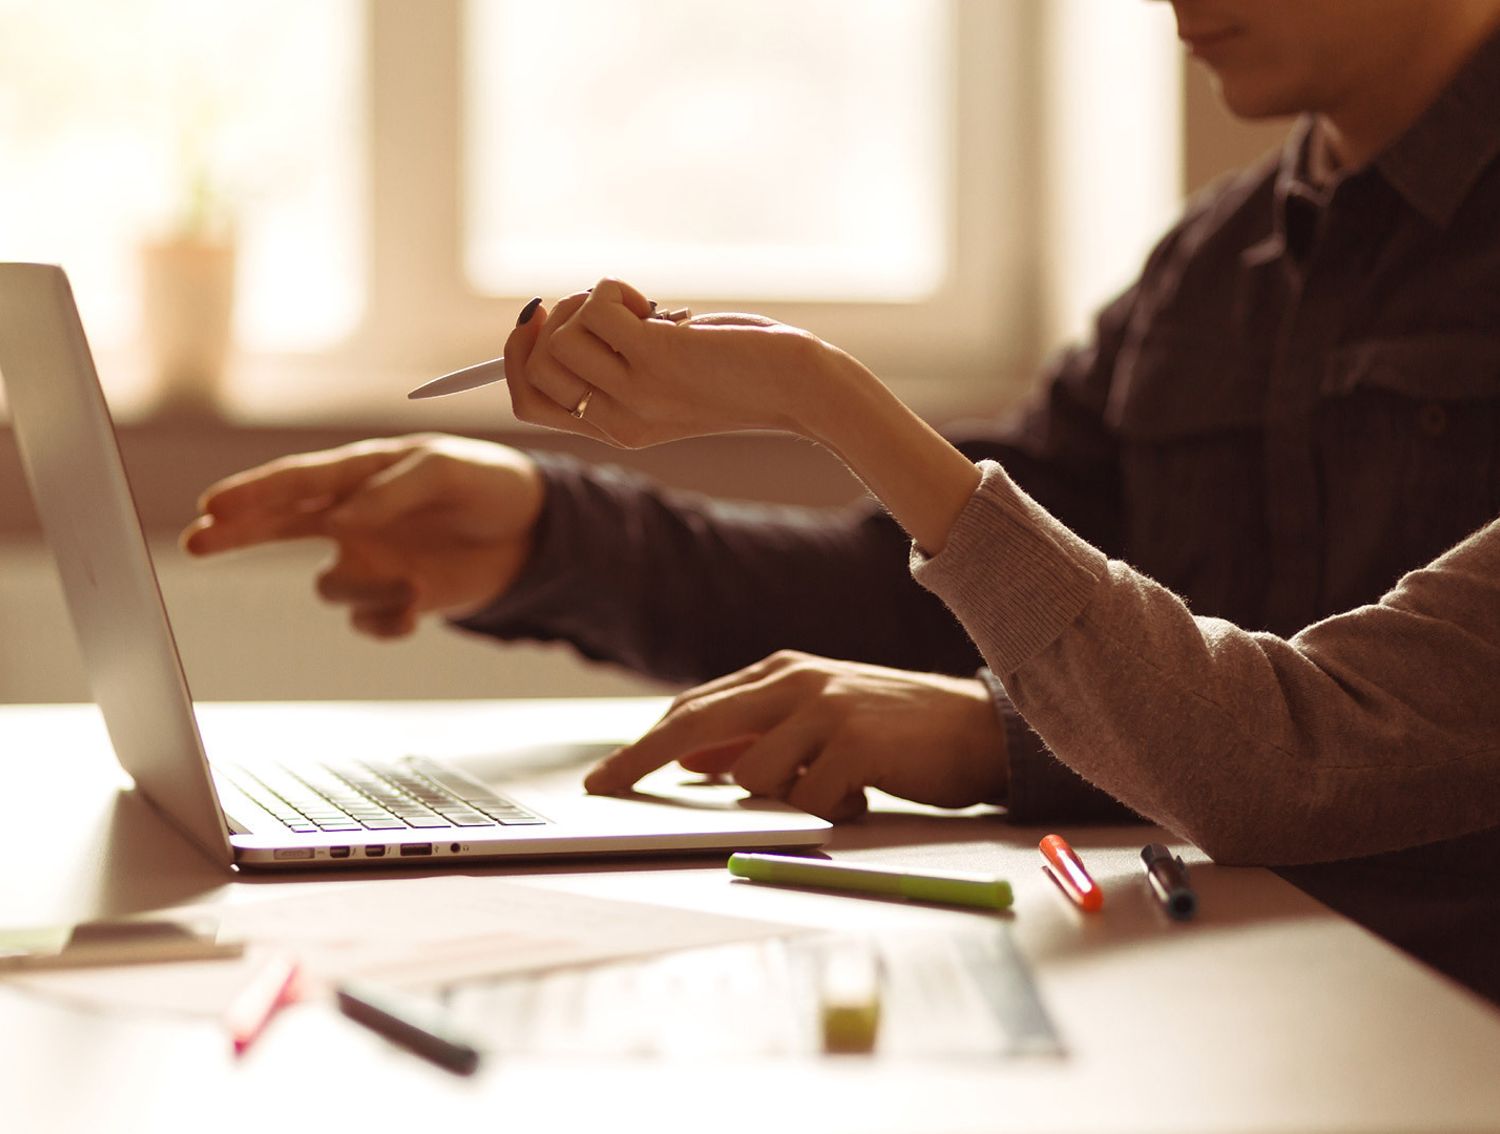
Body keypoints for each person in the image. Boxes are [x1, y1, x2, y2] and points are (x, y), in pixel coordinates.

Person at [183, 1, 1500, 1001]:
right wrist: (545, 531)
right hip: (1222, 993)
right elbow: (929, 592)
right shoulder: (1211, 266)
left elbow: (1311, 746)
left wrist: (998, 735)